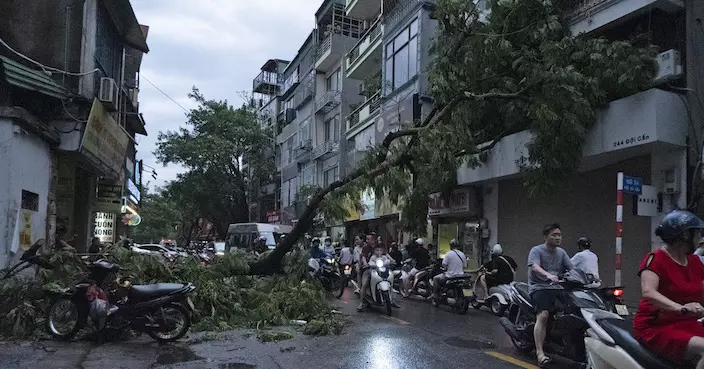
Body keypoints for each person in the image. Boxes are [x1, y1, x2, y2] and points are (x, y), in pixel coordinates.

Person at [633, 210, 704, 368]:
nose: (700, 239)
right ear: (686, 235)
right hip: (655, 327)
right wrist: (681, 308)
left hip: (685, 324)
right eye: (698, 233)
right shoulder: (655, 258)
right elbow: (648, 292)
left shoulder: (694, 262)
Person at [527, 223, 574, 367]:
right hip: (539, 287)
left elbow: (572, 269)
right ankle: (540, 353)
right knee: (544, 315)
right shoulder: (536, 250)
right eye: (554, 235)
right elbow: (535, 267)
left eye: (559, 235)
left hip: (557, 288)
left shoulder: (562, 252)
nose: (558, 238)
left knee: (574, 310)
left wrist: (588, 277)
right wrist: (548, 275)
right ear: (546, 236)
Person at [431, 239, 467, 306]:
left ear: (451, 246)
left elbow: (444, 264)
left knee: (435, 278)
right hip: (461, 275)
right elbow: (465, 265)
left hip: (450, 275)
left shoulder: (449, 253)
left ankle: (435, 295)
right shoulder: (462, 254)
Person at [357, 234, 376, 311]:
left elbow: (386, 254)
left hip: (379, 268)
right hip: (368, 269)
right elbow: (363, 257)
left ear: (373, 240)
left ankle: (391, 299)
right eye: (366, 239)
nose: (367, 241)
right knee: (364, 284)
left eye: (369, 239)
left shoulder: (378, 247)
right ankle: (361, 303)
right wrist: (365, 264)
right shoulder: (365, 248)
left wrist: (391, 259)